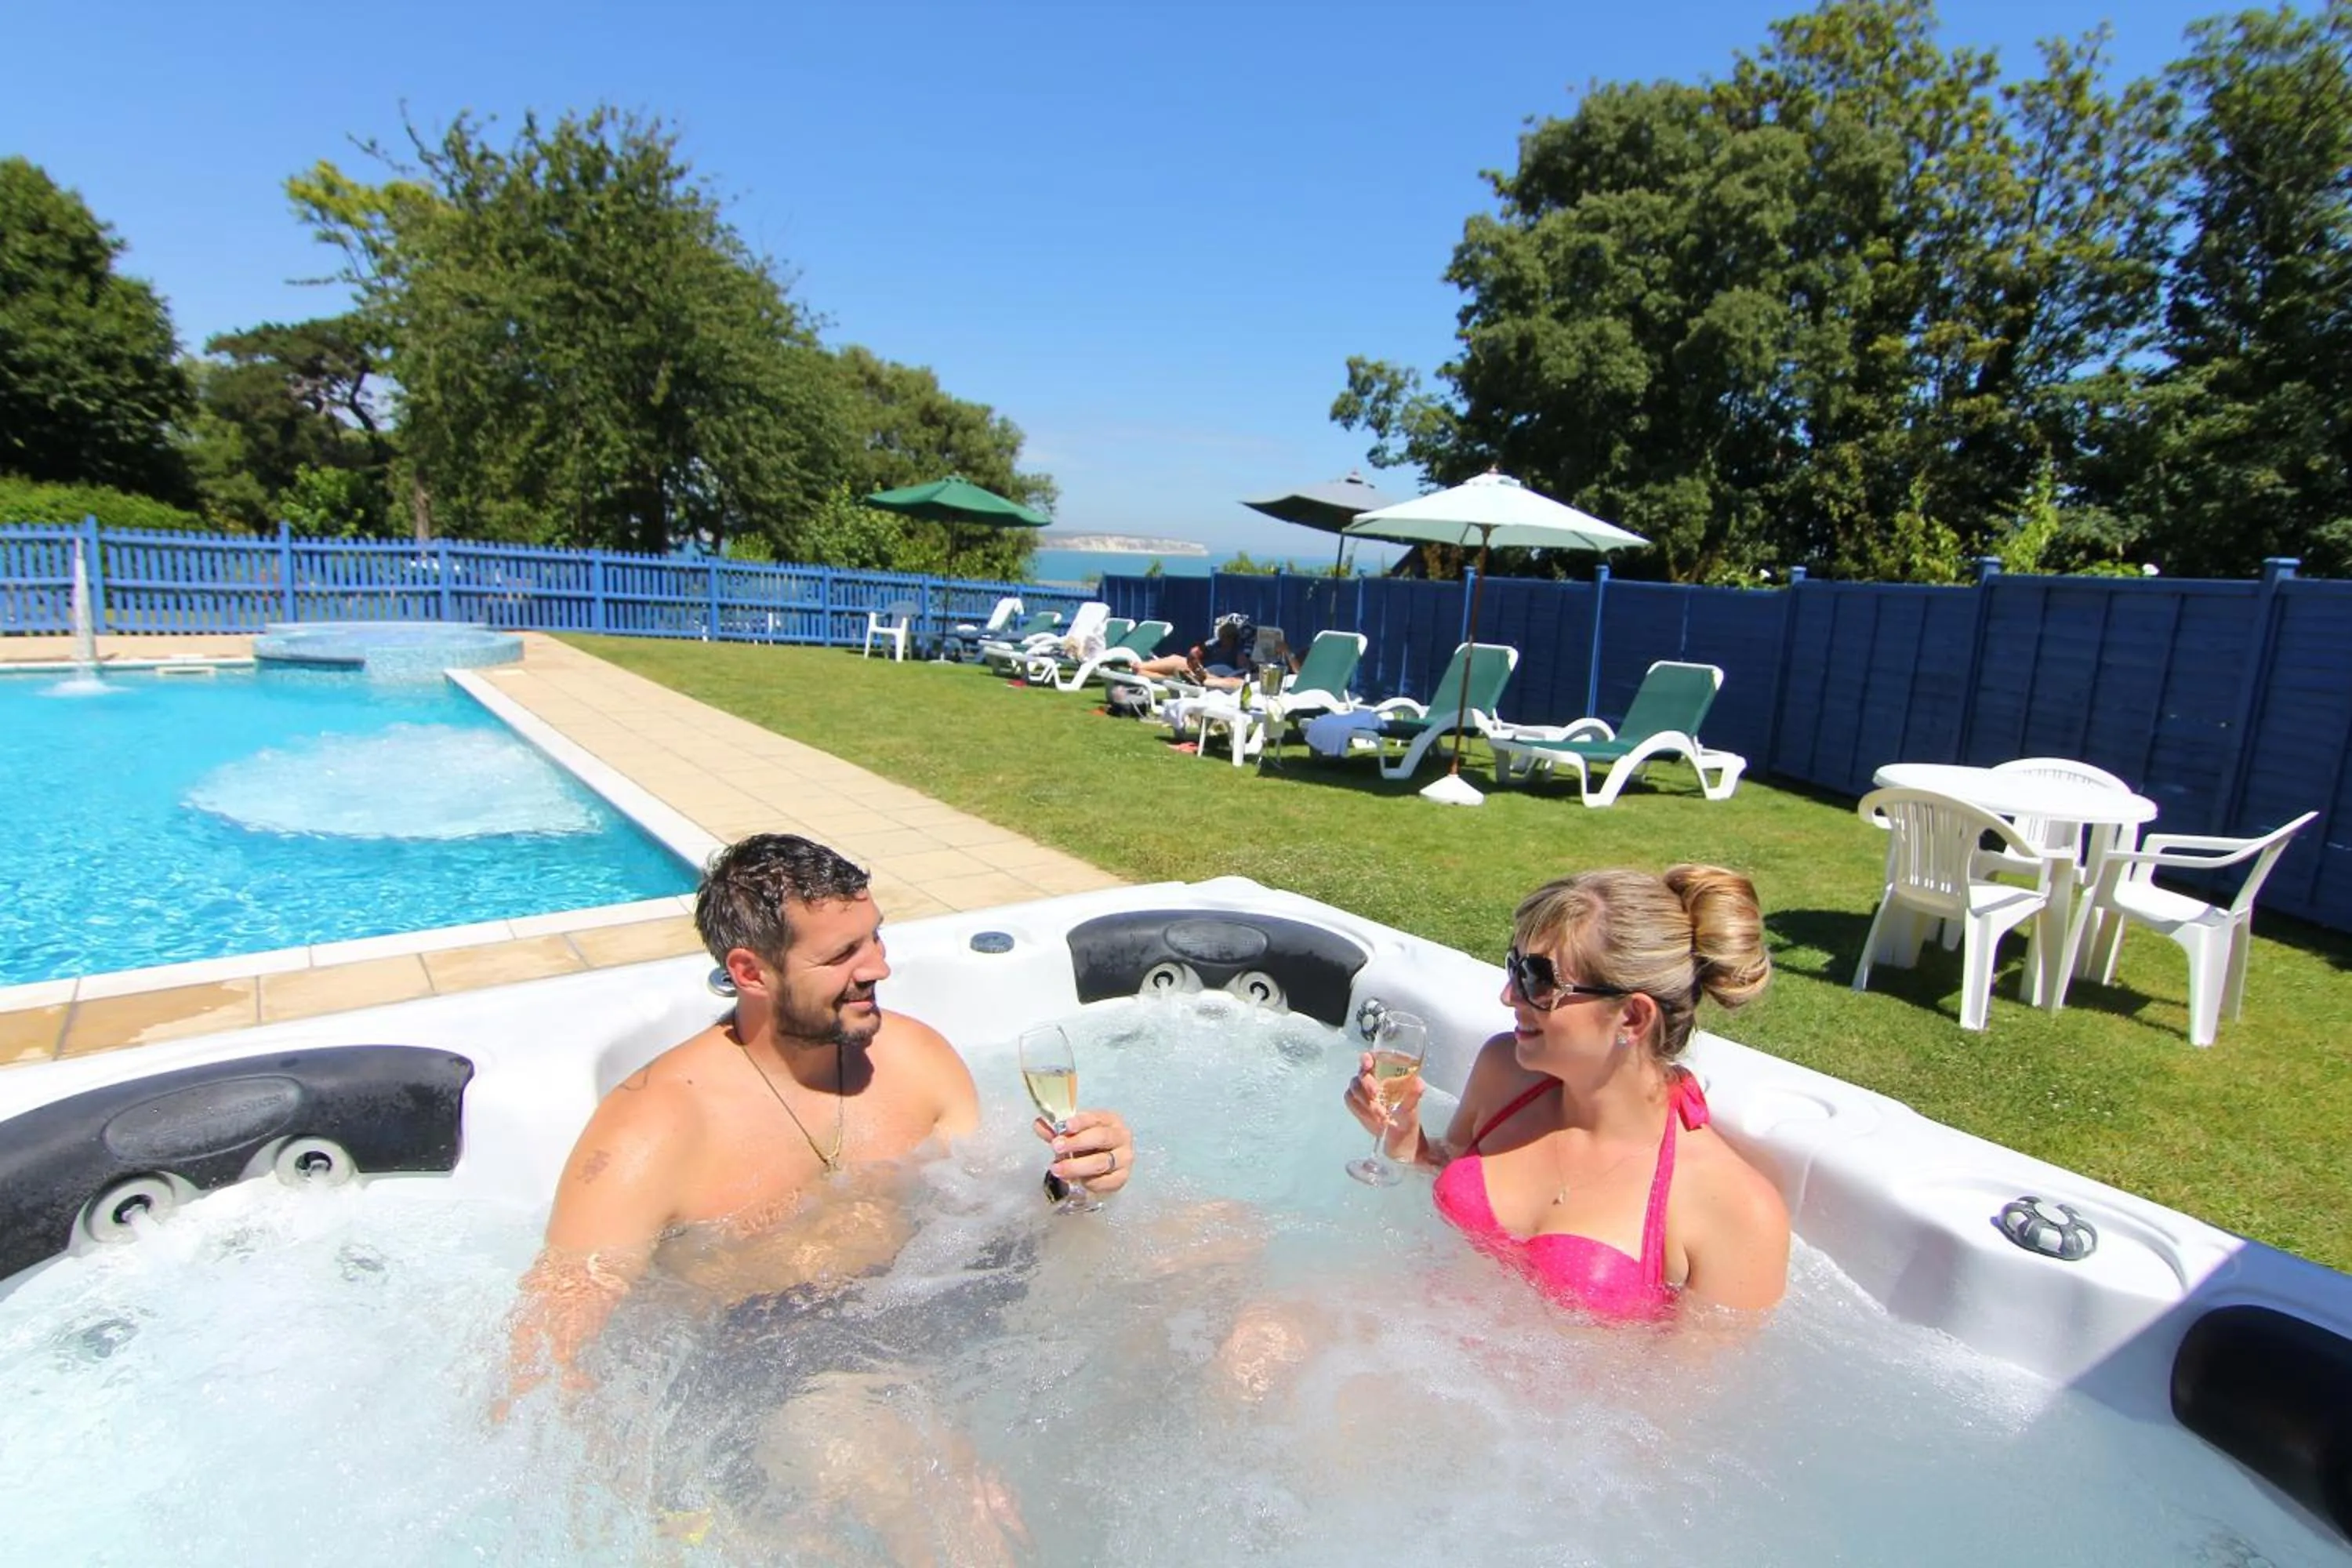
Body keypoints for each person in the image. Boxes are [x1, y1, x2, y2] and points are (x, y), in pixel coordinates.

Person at [506, 833, 1136, 1553]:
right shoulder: (651, 1133)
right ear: (751, 971)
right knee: (936, 1507)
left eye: (875, 940)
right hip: (771, 1370)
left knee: (1233, 1269)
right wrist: (644, 1502)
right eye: (841, 957)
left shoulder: (916, 1059)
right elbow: (542, 1356)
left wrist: (1073, 1185)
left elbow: (995, 1218)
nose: (880, 968)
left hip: (922, 1313)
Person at [1349, 865, 1788, 1316]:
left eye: (1538, 980)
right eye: (1513, 966)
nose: (1508, 995)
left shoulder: (1736, 1209)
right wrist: (1408, 1144)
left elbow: (1692, 1384)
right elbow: (1447, 1166)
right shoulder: (1504, 1071)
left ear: (1633, 1018)